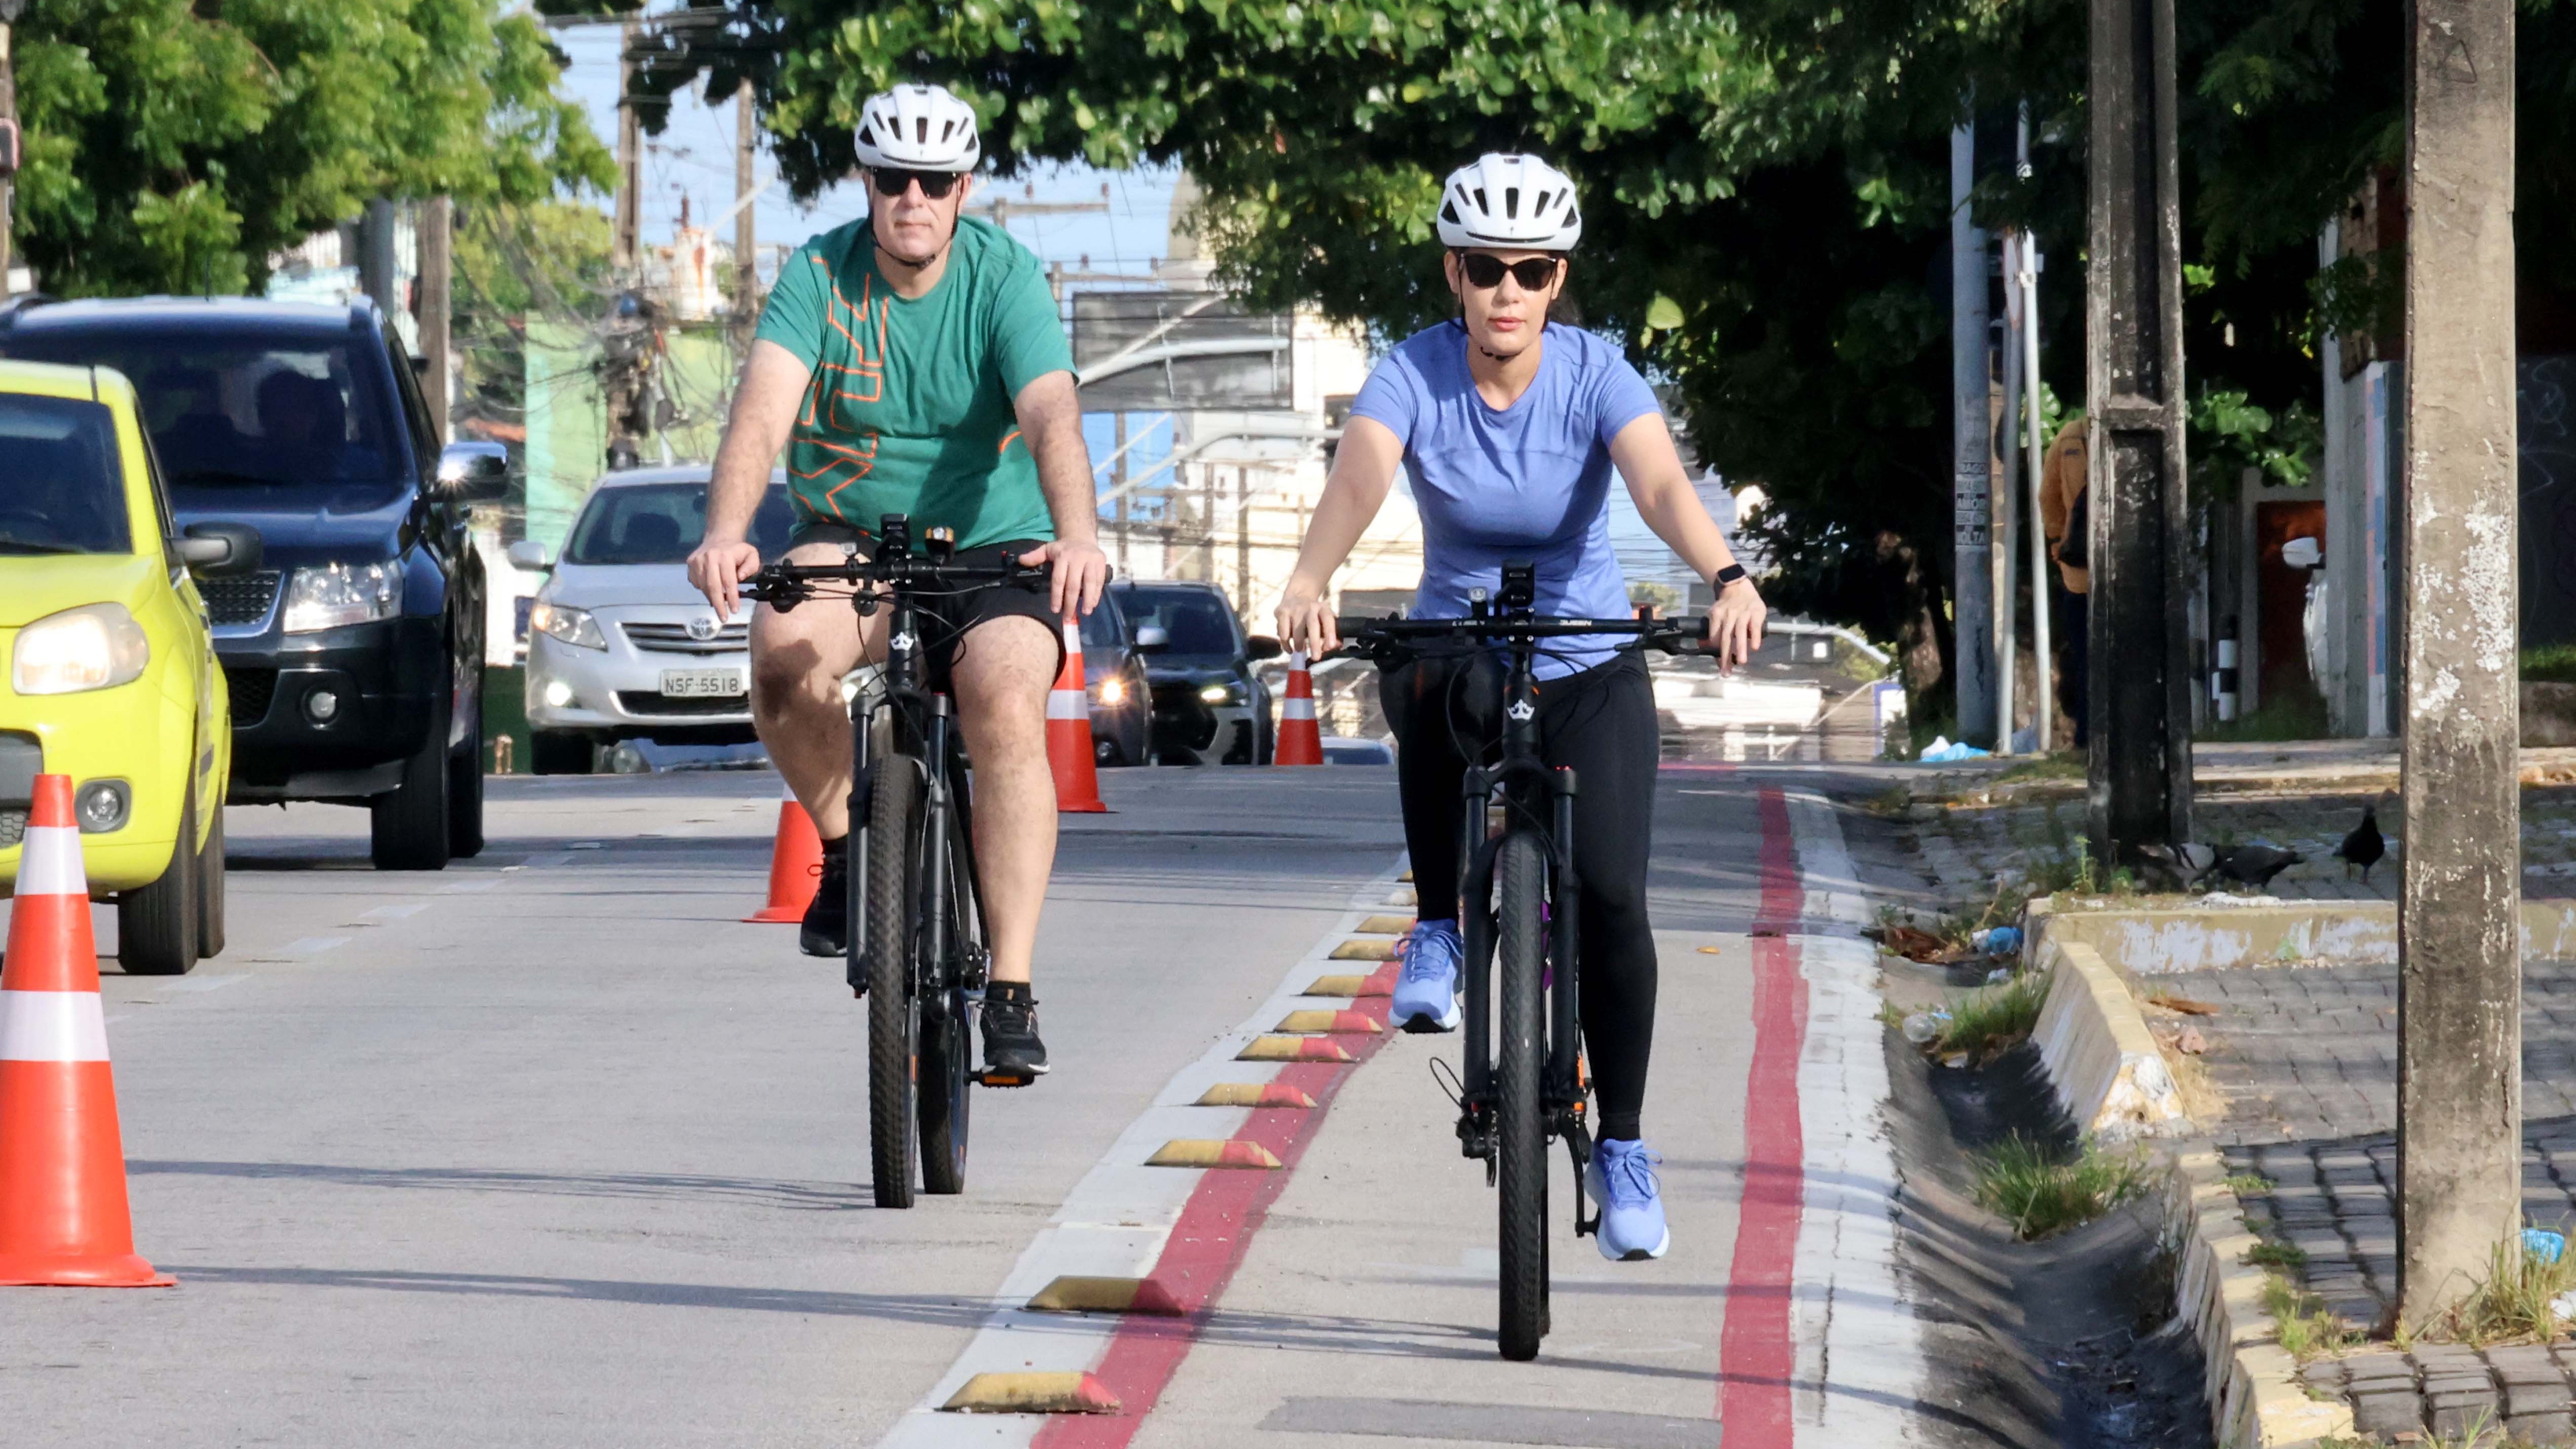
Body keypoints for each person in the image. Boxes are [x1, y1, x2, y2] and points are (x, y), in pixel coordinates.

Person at [1275, 153, 1767, 1262]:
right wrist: (1310, 577)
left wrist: (1725, 575)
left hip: (1586, 652)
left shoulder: (1598, 372)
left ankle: (1627, 1148)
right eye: (1486, 268)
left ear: (1558, 280)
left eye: (1531, 271)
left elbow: (1656, 484)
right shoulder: (1412, 371)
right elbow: (1361, 473)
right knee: (1416, 669)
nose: (1508, 291)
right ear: (1454, 272)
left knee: (1613, 898)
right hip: (1465, 647)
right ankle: (1442, 932)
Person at [686, 83, 1106, 1083]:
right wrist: (726, 532)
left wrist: (1079, 533)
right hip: (854, 542)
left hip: (994, 550)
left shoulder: (1005, 278)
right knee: (783, 663)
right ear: (864, 185)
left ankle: (1009, 984)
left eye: (932, 182)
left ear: (964, 189)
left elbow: (1051, 415)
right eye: (891, 180)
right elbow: (761, 412)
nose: (911, 199)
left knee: (1005, 704)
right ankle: (844, 849)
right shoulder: (819, 277)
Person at [2037, 415, 2089, 748]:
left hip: (2079, 567)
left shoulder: (2071, 435)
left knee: (2085, 656)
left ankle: (2087, 736)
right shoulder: (2135, 429)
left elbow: (2047, 496)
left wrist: (2059, 541)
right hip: (2130, 569)